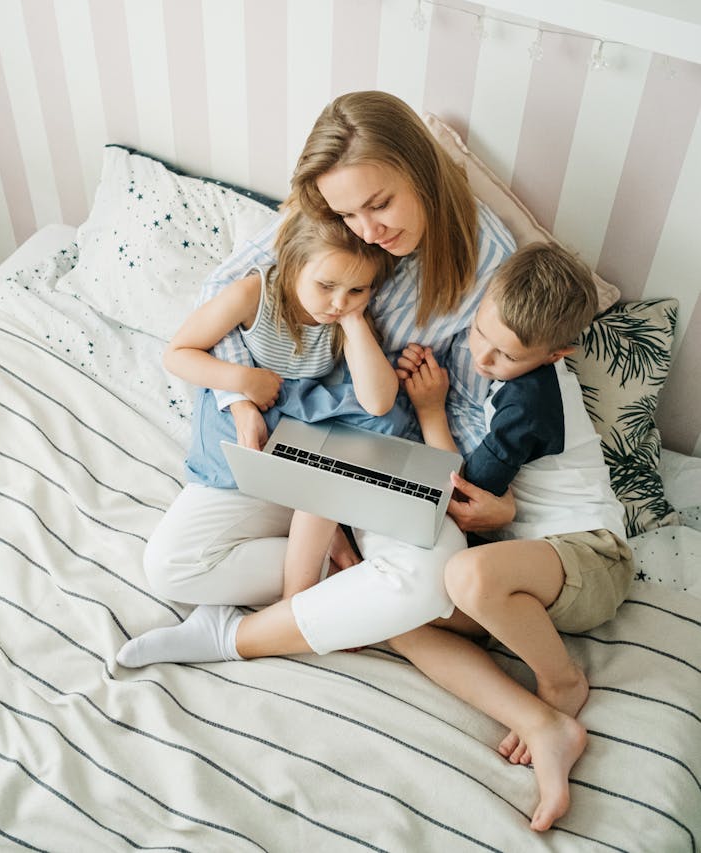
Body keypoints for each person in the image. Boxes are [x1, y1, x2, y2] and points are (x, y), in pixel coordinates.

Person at [116, 91, 515, 670]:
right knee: (171, 566)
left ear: (422, 171)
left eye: (379, 205)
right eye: (348, 214)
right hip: (286, 431)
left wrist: (496, 500)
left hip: (384, 451)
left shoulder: (487, 261)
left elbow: (481, 400)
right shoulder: (329, 214)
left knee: (430, 580)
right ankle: (342, 589)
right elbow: (228, 296)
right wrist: (237, 395)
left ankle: (244, 633)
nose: (367, 231)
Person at [389, 242, 634, 833]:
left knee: (465, 575)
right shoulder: (501, 358)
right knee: (400, 615)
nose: (483, 357)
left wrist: (429, 411)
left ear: (558, 353)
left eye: (506, 355)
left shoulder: (533, 401)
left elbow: (461, 495)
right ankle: (544, 725)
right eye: (480, 334)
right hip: (534, 578)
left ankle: (562, 682)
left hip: (592, 558)